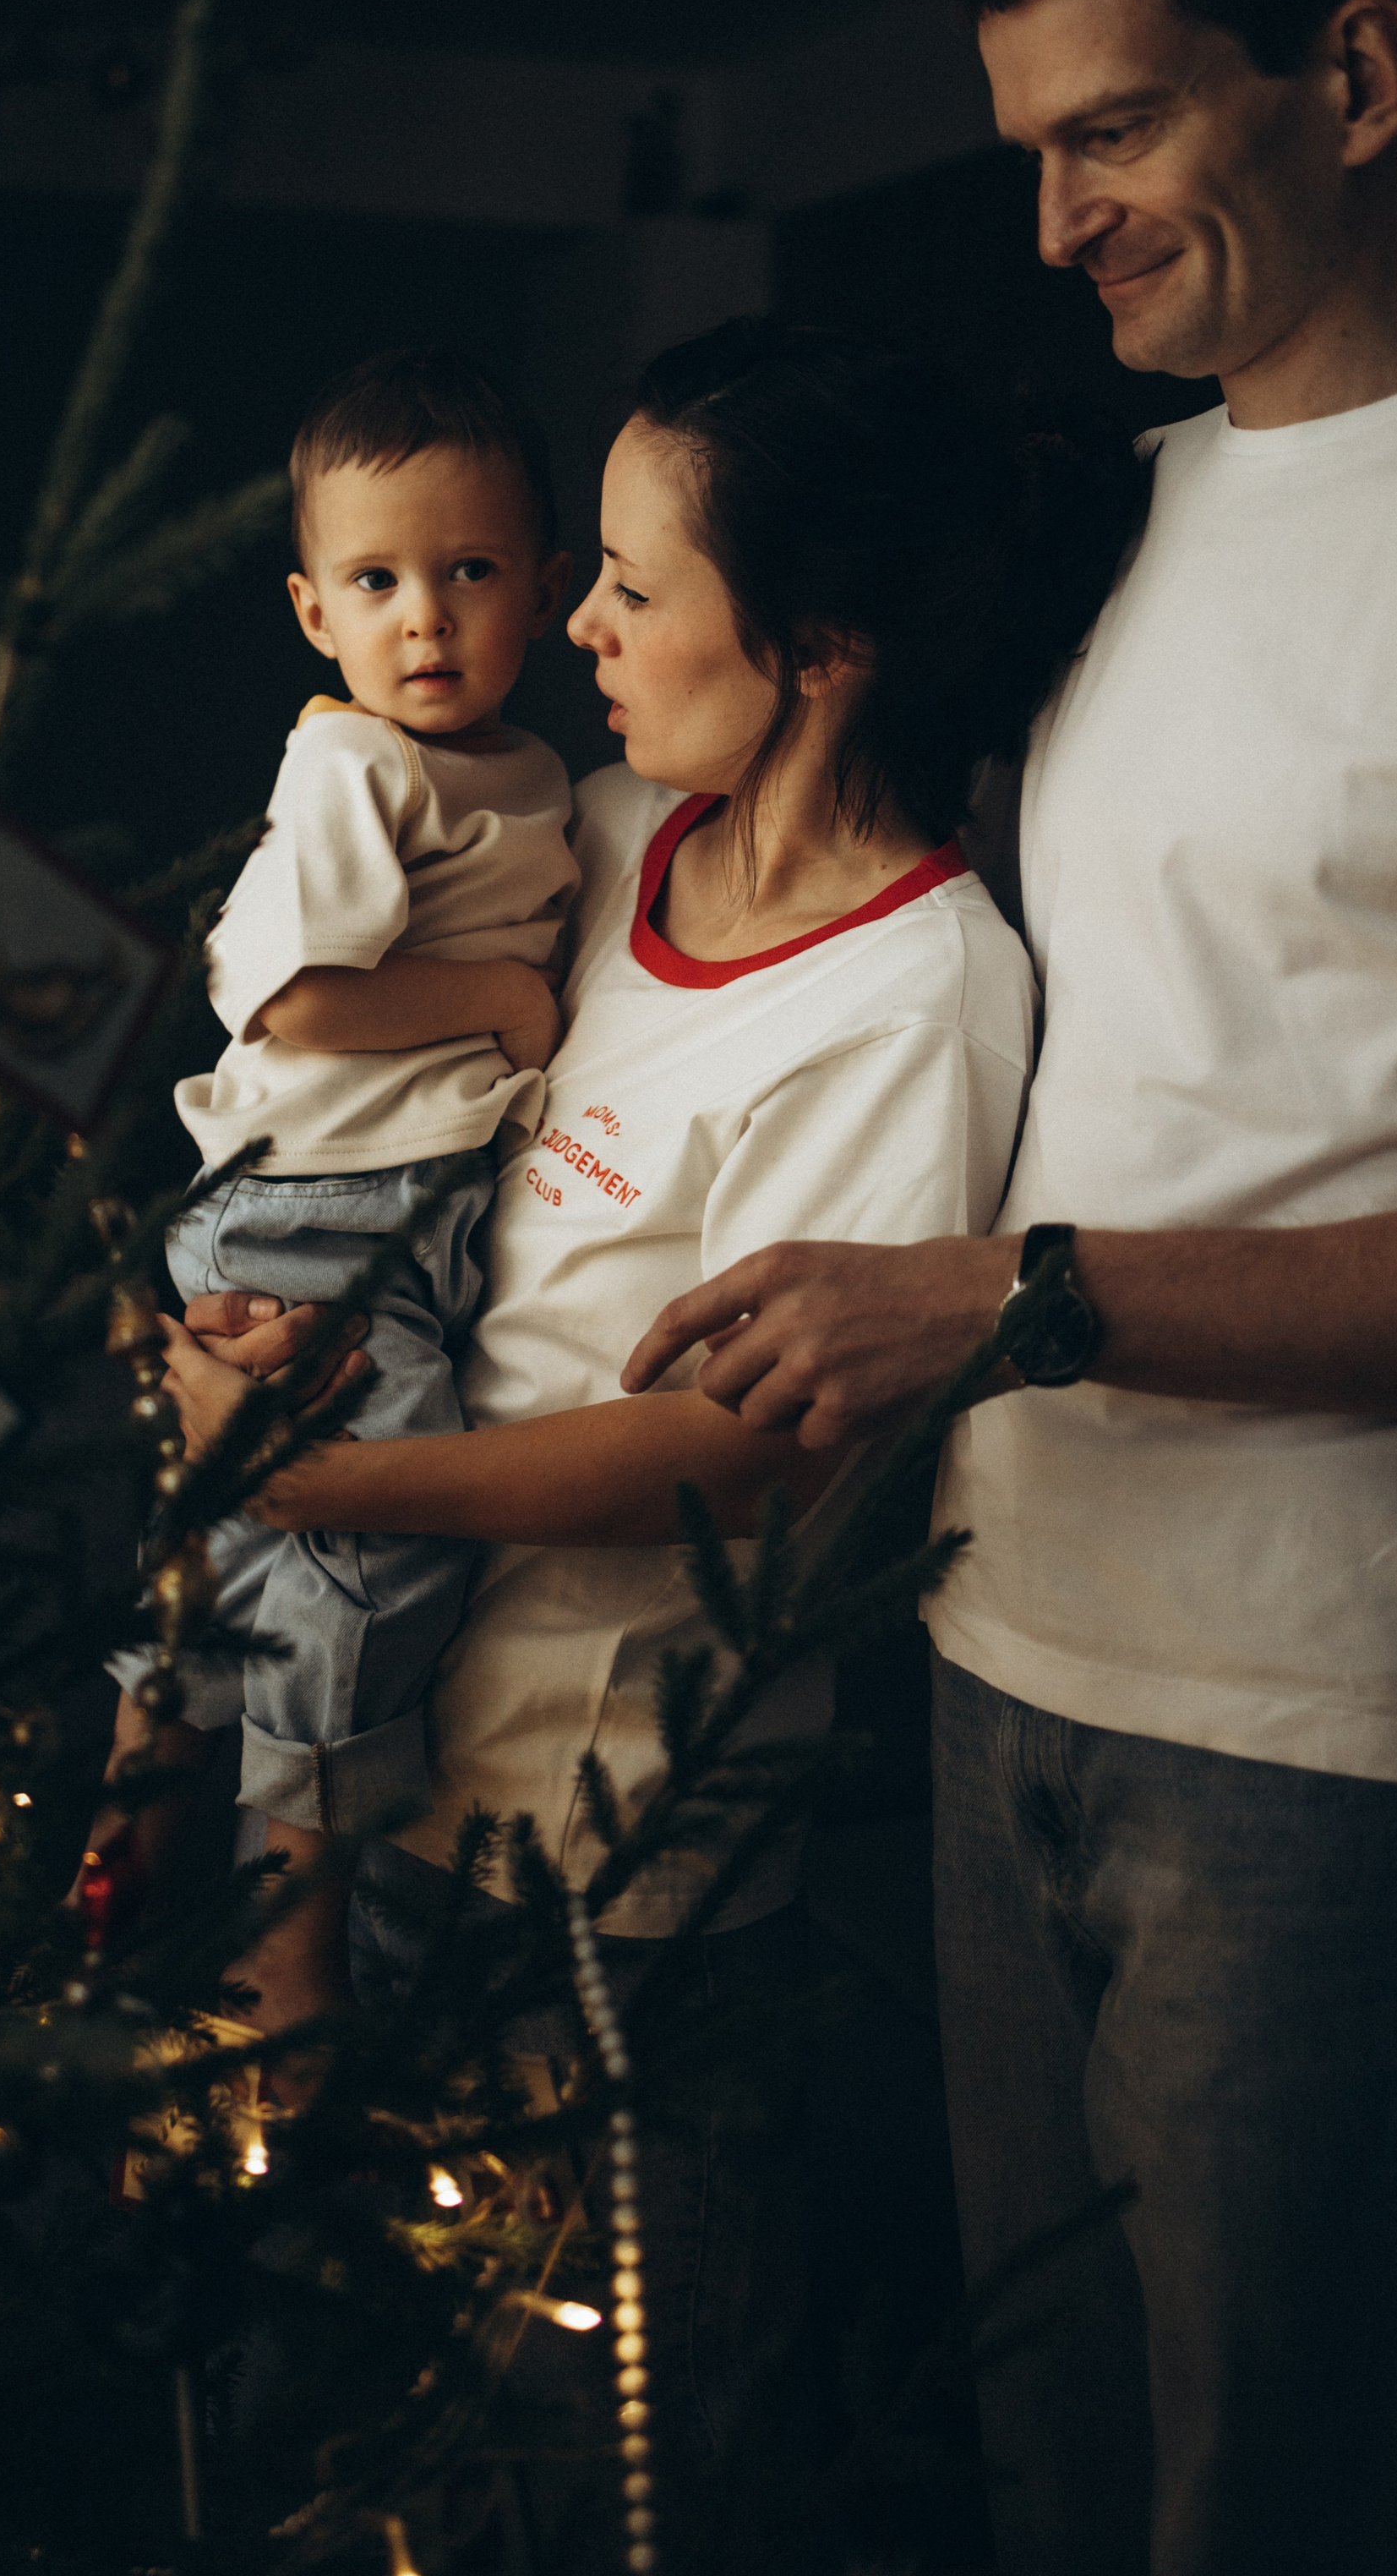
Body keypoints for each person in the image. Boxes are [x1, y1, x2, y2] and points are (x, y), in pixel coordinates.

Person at [625, 0, 1397, 2576]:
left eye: (1116, 133)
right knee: (1047, 2486)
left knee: (1289, 2516)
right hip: (999, 1656)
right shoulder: (1106, 520)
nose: (1052, 224)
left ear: (1366, 78)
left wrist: (1017, 1302)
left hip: (1339, 1738)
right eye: (1026, 147)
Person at [150, 319, 1135, 2551]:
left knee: (604, 2477)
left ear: (819, 646)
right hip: (399, 1774)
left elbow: (731, 1452)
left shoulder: (919, 994)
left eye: (621, 583)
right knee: (381, 2436)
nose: (561, 624)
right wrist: (245, 1320)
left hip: (629, 1875)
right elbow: (353, 1095)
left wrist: (299, 1482)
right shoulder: (602, 835)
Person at [111, 349, 576, 2027]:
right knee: (369, 1541)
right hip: (314, 1207)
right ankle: (283, 1944)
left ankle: (136, 1812)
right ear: (313, 611)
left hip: (387, 1207)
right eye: (377, 583)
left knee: (246, 1536)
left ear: (548, 583)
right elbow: (287, 995)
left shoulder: (520, 774)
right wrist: (502, 1008)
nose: (425, 622)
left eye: (466, 573)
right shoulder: (350, 770)